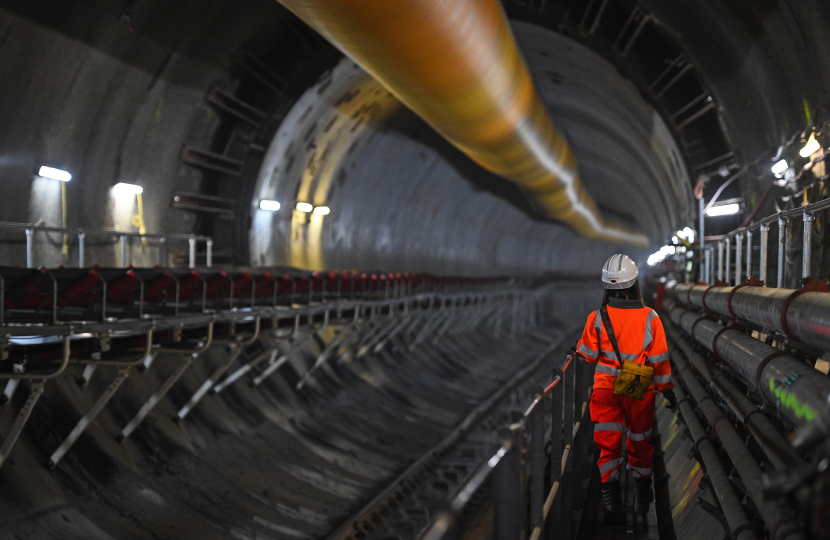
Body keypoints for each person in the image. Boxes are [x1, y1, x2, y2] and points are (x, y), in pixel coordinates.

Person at [575, 254, 678, 523]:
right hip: (638, 388)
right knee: (639, 441)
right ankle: (642, 497)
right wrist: (666, 388)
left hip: (606, 391)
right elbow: (659, 359)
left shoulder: (597, 317)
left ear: (607, 286)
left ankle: (611, 503)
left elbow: (586, 354)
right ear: (634, 283)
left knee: (609, 445)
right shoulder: (650, 317)